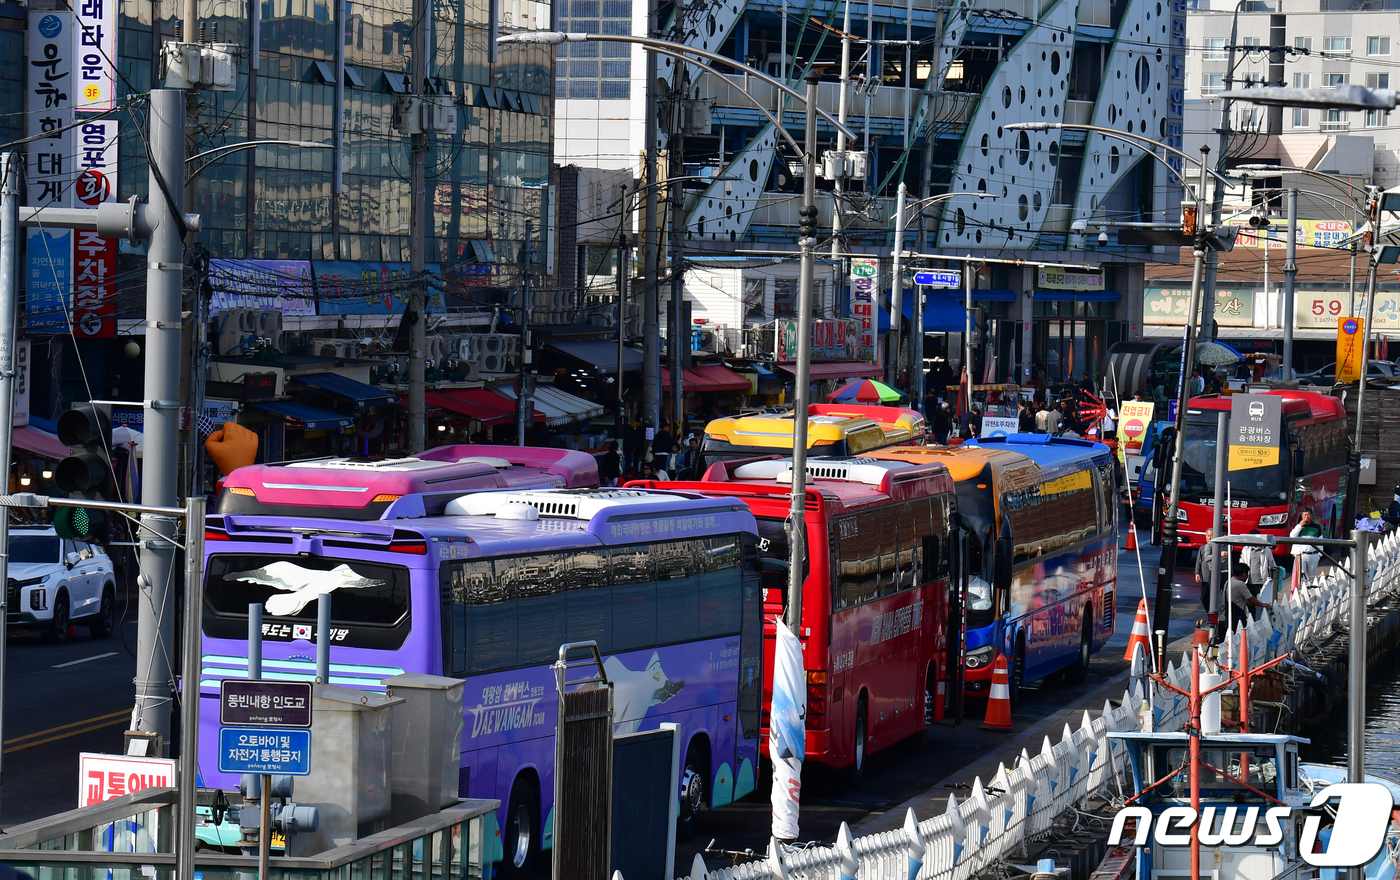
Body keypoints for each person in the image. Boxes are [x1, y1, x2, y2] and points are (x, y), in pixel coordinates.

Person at [1195, 528, 1231, 612]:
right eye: (1208, 536)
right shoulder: (1205, 547)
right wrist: (1197, 572)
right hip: (1206, 576)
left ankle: (1221, 613)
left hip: (1222, 573)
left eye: (1211, 536)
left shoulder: (1227, 545)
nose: (1210, 538)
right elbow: (1200, 560)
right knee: (1205, 597)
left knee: (1224, 595)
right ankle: (1210, 612)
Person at [1290, 509, 1323, 582]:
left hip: (1313, 555)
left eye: (1308, 515)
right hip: (1301, 555)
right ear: (1302, 516)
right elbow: (1292, 536)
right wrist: (1300, 525)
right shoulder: (1298, 527)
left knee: (1311, 578)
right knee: (1301, 577)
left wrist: (1319, 554)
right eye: (1304, 515)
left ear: (1311, 516)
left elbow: (1321, 541)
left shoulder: (1317, 527)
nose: (1306, 517)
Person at [1241, 528, 1273, 597]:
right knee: (1250, 603)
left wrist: (1270, 579)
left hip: (1261, 583)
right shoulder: (1245, 549)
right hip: (1248, 582)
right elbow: (1242, 562)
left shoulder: (1266, 550)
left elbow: (1271, 564)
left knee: (1261, 602)